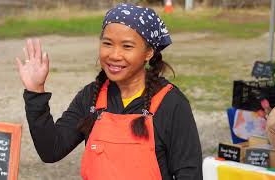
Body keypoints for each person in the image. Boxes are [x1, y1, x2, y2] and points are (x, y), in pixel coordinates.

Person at [16, 3, 202, 180]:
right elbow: (51, 150)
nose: (114, 55)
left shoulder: (171, 103)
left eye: (127, 46)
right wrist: (35, 92)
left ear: (149, 52)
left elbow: (190, 174)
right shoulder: (91, 97)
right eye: (107, 43)